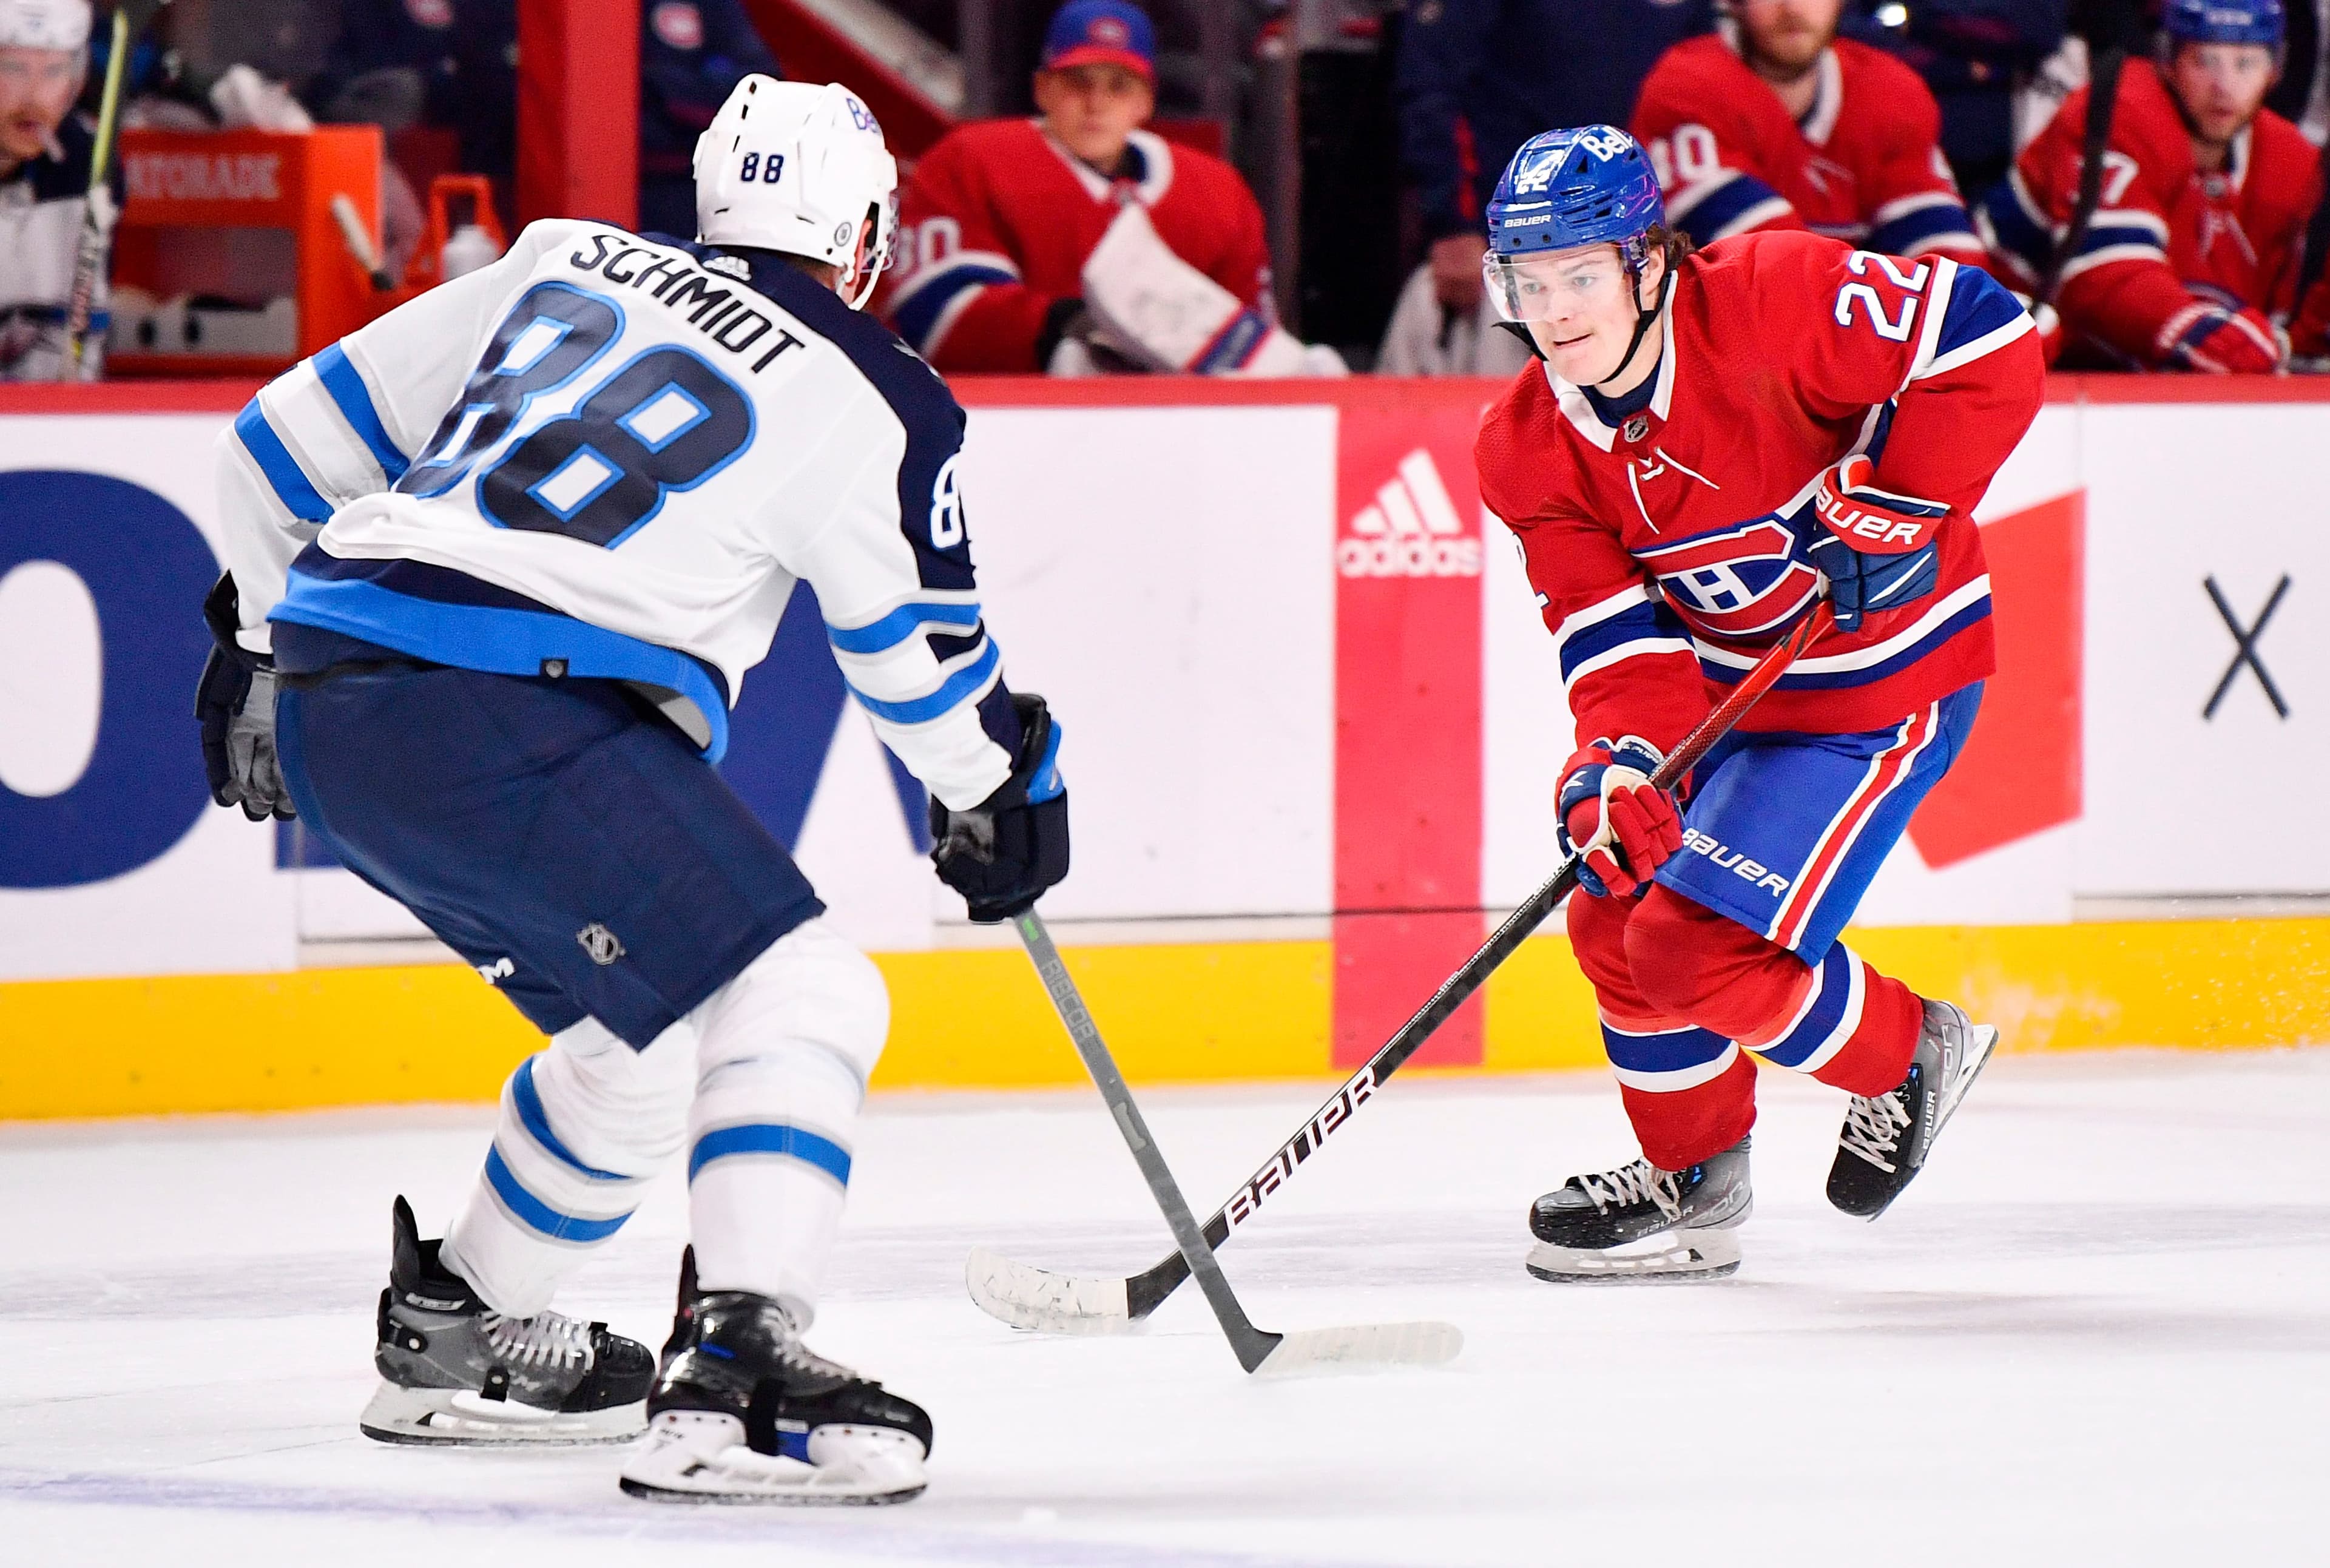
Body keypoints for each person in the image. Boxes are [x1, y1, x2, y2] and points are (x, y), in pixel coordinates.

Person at [192, 76, 1070, 1504]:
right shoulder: (875, 392)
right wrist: (1005, 781)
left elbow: (276, 446)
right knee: (808, 990)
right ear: (863, 234)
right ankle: (739, 1366)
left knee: (645, 1045)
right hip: (512, 709)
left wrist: (246, 643)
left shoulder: (564, 258)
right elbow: (919, 676)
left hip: (339, 703)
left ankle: (457, 1331)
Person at [1470, 125, 2041, 1282]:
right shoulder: (1525, 447)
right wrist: (1616, 765)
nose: (1556, 311)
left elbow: (1989, 336)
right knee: (1613, 908)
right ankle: (1694, 1179)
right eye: (1530, 283)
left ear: (1646, 262)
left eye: (1581, 275)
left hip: (1884, 683)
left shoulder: (1779, 295)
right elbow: (1615, 640)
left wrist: (1906, 501)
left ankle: (1907, 1052)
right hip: (1733, 705)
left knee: (1692, 948)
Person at [880, 0, 1334, 375]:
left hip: (1180, 431)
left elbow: (1246, 339)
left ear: (1145, 101)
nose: (1096, 103)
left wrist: (1282, 369)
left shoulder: (1217, 192)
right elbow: (936, 312)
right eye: (1078, 83)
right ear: (1043, 89)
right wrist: (1064, 335)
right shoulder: (969, 161)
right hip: (1014, 427)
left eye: (1119, 86)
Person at [1978, 0, 2318, 371]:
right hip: (2016, 353)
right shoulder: (2119, 109)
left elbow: (2300, 321)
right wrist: (2226, 343)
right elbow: (2109, 283)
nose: (2224, 86)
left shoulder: (2290, 159)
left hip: (2133, 369)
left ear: (2275, 70)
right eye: (2204, 61)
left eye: (2246, 64)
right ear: (2169, 61)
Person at [1393, 0, 1716, 325]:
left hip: (1643, 240)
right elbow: (1433, 83)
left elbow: (1706, 88)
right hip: (1511, 247)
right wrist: (1454, 224)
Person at [1631, 0, 1990, 271]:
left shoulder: (1889, 93)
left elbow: (1951, 267)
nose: (1793, 8)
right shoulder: (1688, 88)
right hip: (1725, 337)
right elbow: (1778, 269)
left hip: (1849, 327)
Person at [0, 0, 112, 380]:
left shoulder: (88, 166)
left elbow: (81, 350)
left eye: (53, 71)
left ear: (76, 79)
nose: (33, 96)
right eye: (13, 68)